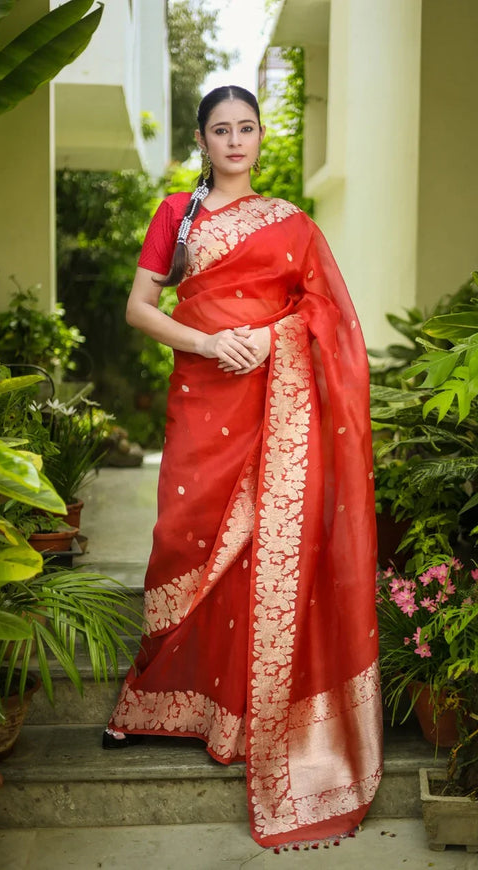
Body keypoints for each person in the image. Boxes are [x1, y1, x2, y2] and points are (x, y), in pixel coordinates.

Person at [104, 85, 382, 850]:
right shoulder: (178, 214)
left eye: (247, 128)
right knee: (183, 539)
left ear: (260, 138)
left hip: (272, 402)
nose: (235, 140)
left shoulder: (292, 222)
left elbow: (328, 315)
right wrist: (204, 343)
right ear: (202, 139)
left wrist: (268, 339)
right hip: (201, 400)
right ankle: (158, 698)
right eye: (221, 129)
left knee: (260, 556)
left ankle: (237, 714)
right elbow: (139, 307)